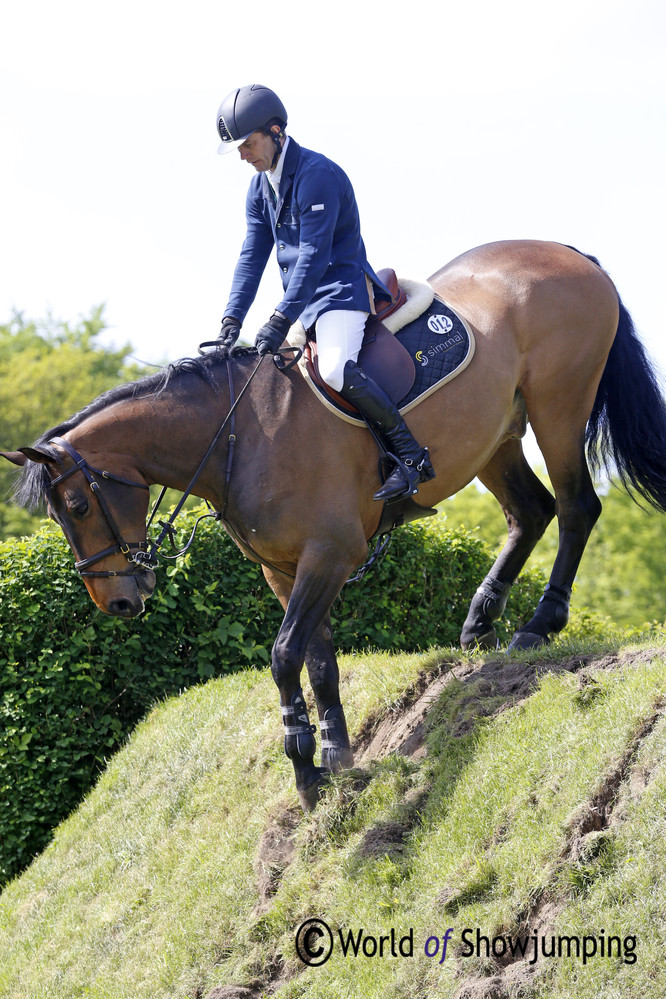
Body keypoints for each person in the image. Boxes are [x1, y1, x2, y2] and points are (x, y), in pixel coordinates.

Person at [216, 83, 435, 502]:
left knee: (334, 368)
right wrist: (231, 320)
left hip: (339, 291)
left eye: (248, 143)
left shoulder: (318, 175)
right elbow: (251, 257)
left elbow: (314, 259)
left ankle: (410, 457)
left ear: (277, 131)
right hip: (306, 302)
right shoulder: (259, 188)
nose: (243, 154)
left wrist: (279, 318)